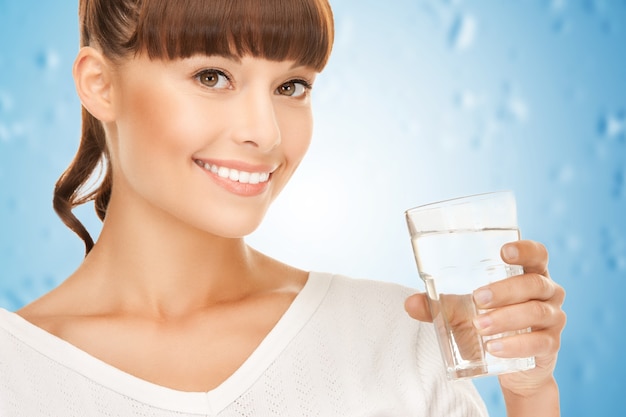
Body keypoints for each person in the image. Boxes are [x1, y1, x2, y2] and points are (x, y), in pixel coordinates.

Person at [0, 0, 566, 415]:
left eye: (292, 86)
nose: (265, 133)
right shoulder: (13, 375)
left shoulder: (395, 339)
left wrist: (530, 393)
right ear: (100, 84)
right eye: (213, 76)